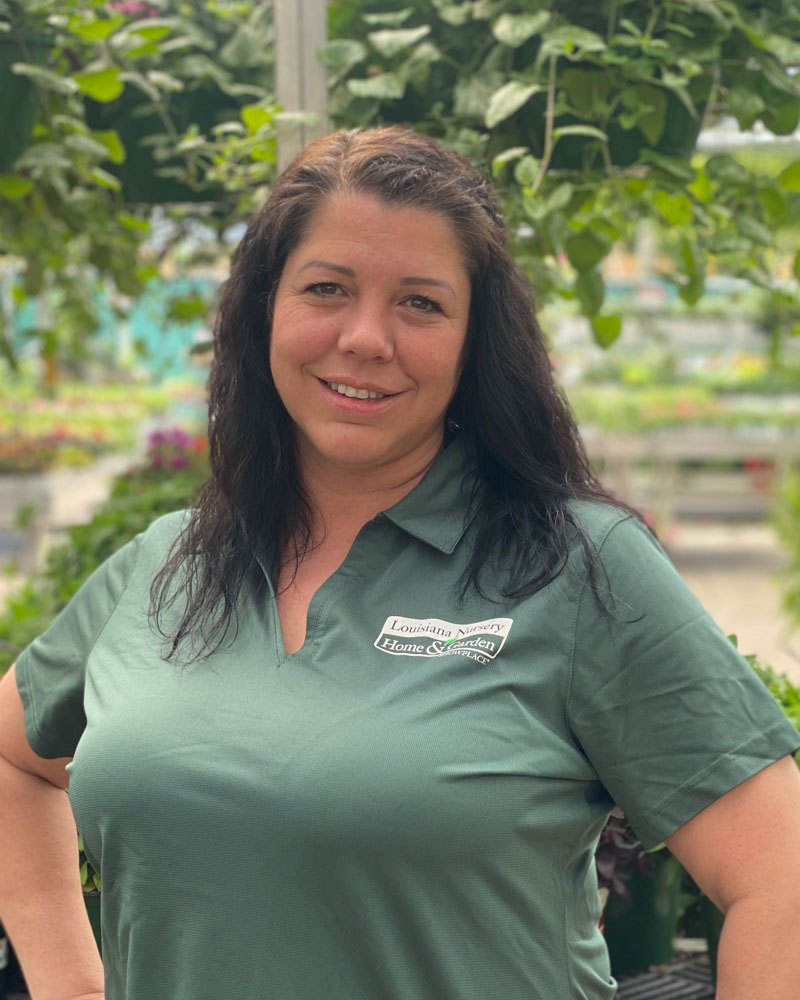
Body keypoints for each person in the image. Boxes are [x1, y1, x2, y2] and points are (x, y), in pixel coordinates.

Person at [1, 127, 799, 1000]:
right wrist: (69, 985)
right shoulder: (165, 564)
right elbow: (12, 759)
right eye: (327, 289)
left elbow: (781, 879)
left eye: (420, 303)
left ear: (475, 342)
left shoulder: (578, 568)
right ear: (265, 308)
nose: (366, 337)